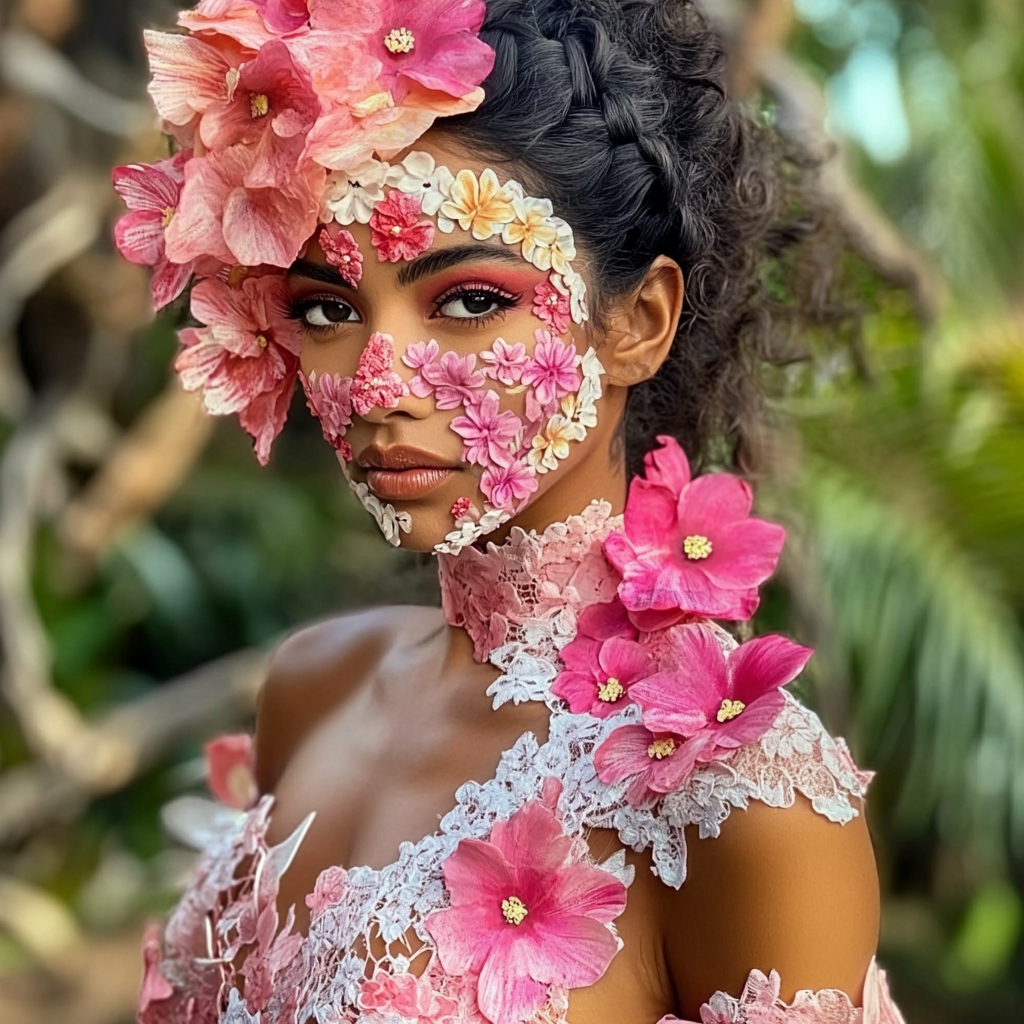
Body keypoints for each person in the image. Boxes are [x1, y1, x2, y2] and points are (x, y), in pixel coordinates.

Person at [118, 1, 907, 1022]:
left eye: (469, 300)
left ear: (638, 323)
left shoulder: (739, 805)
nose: (378, 382)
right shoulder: (314, 685)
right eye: (326, 310)